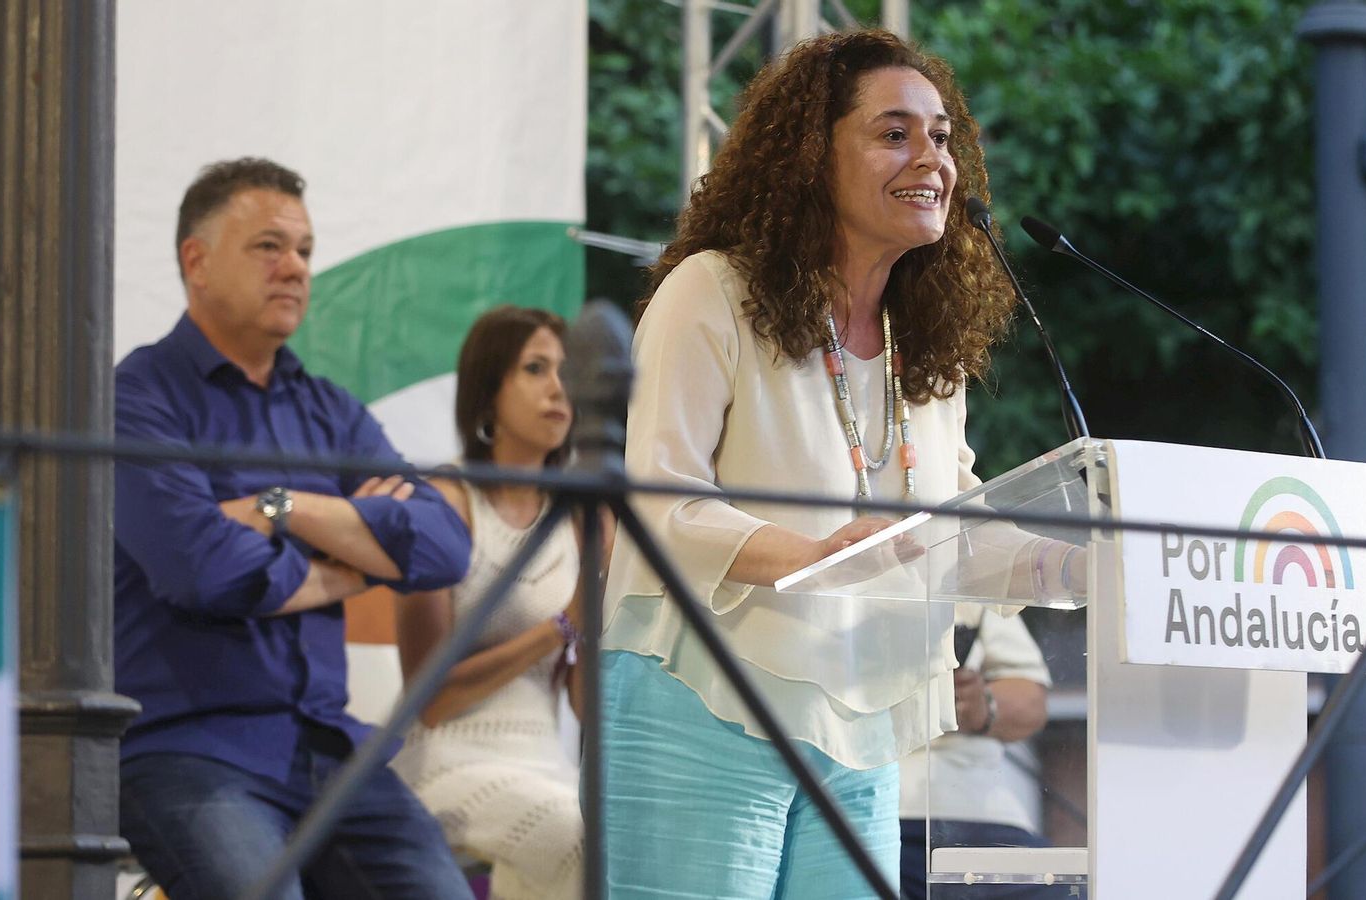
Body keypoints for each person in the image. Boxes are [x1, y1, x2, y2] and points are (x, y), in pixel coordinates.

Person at [599, 27, 1032, 899]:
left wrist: (1077, 551)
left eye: (941, 136)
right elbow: (655, 499)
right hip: (702, 696)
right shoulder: (712, 291)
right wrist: (811, 556)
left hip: (859, 720)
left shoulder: (926, 345)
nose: (932, 159)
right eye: (894, 132)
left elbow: (955, 523)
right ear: (809, 157)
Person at [113, 157, 475, 900]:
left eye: (305, 250)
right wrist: (360, 557)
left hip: (330, 749)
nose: (295, 268)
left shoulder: (328, 411)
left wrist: (287, 510)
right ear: (196, 261)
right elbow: (204, 571)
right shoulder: (138, 396)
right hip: (192, 748)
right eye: (269, 246)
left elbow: (443, 546)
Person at [392, 306, 596, 900]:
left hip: (547, 762)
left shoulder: (578, 519)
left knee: (616, 836)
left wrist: (598, 631)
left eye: (567, 371)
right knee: (577, 839)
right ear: (487, 393)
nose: (560, 388)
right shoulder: (445, 503)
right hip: (446, 761)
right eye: (536, 368)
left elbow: (585, 706)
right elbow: (429, 699)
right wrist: (560, 626)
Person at [897, 608, 1054, 900]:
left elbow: (1031, 699)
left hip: (978, 808)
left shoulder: (963, 575)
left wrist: (983, 706)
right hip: (868, 806)